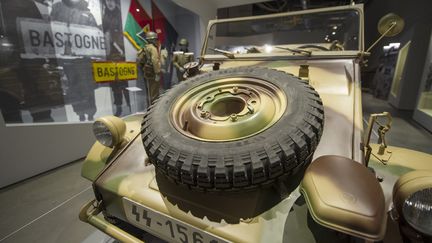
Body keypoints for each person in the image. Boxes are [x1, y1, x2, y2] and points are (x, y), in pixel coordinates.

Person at [50, 0, 97, 121]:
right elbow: (50, 30)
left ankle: (90, 113)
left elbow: (95, 33)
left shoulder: (87, 13)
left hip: (83, 58)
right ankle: (79, 112)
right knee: (74, 87)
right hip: (66, 57)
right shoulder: (57, 9)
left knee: (87, 86)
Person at [102, 0, 130, 117]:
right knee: (115, 86)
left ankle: (130, 106)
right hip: (110, 56)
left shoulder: (121, 16)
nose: (110, 3)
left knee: (125, 84)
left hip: (122, 55)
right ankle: (119, 108)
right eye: (107, 0)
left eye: (112, 0)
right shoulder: (104, 16)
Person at [137, 31, 161, 104]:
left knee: (149, 91)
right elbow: (155, 61)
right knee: (154, 92)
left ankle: (150, 106)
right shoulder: (153, 48)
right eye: (154, 39)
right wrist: (157, 73)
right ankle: (154, 109)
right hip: (153, 72)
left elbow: (140, 59)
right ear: (151, 39)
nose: (156, 40)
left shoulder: (145, 47)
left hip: (147, 71)